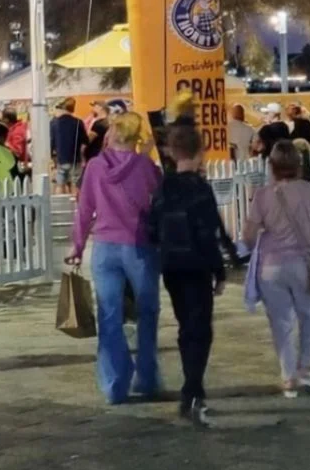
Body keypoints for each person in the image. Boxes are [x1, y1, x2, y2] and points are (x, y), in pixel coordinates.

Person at [67, 112, 162, 404]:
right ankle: (146, 377)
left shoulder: (95, 167)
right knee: (147, 312)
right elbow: (159, 202)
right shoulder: (147, 167)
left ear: (111, 135)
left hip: (105, 247)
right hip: (139, 247)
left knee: (109, 316)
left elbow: (84, 210)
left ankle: (114, 385)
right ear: (138, 137)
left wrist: (77, 245)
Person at [241, 141, 310, 398]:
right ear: (299, 165)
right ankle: (305, 369)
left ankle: (288, 377)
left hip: (272, 267)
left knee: (280, 322)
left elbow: (248, 236)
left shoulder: (263, 195)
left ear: (271, 166)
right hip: (306, 264)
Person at [147, 124, 227, 428]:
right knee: (201, 328)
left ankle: (190, 388)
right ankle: (194, 389)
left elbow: (152, 227)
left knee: (185, 326)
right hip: (196, 265)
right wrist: (219, 270)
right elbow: (209, 233)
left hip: (172, 265)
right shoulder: (200, 188)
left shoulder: (163, 187)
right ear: (199, 152)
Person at [50, 98, 86, 193]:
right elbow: (85, 141)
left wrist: (52, 157)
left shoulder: (54, 123)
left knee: (59, 184)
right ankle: (75, 206)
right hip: (75, 158)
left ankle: (60, 205)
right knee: (76, 184)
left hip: (60, 159)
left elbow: (51, 141)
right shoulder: (78, 122)